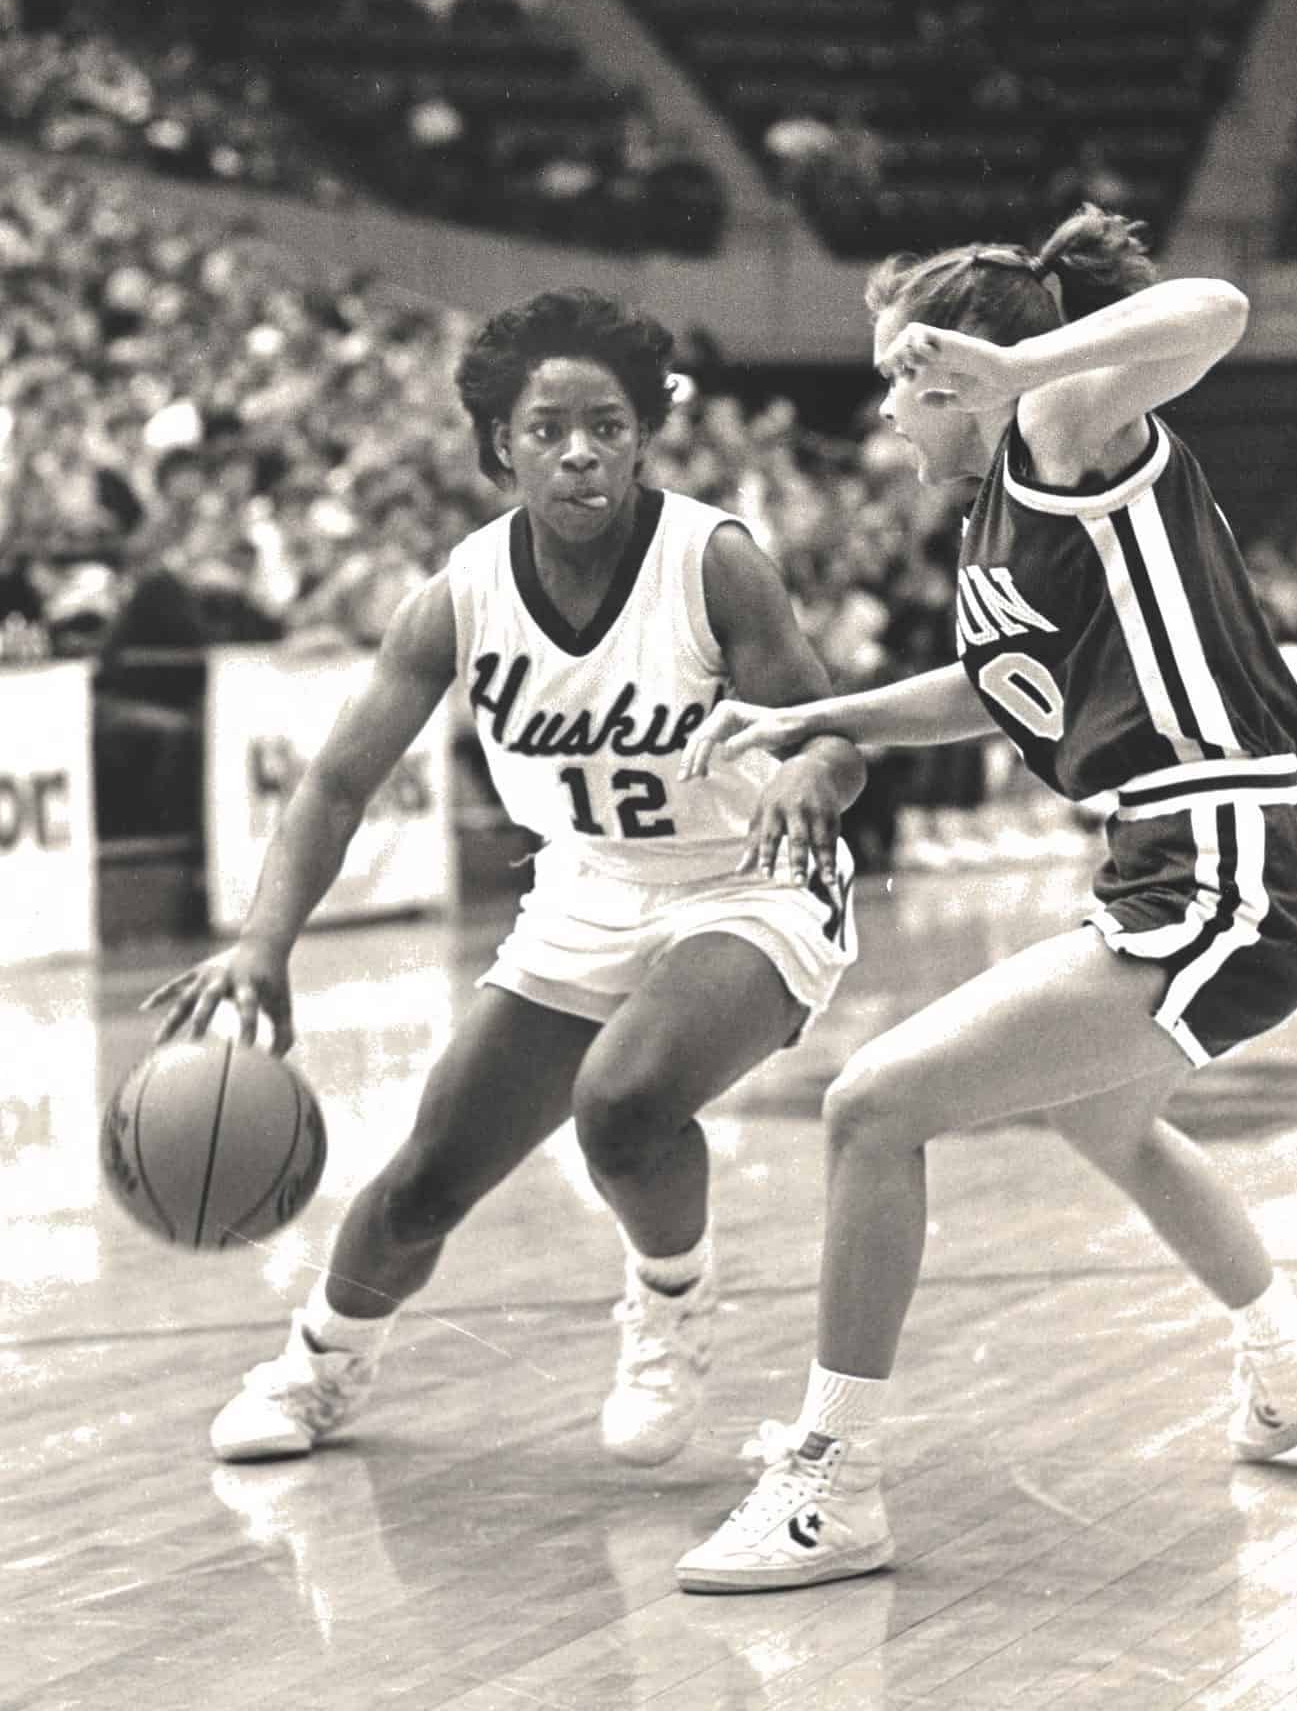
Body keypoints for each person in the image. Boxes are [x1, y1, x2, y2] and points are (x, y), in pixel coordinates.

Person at [670, 205, 1297, 1594]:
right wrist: (812, 722)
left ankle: (832, 1483)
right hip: (1175, 859)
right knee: (1100, 1116)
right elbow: (991, 690)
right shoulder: (1005, 517)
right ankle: (1288, 1367)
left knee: (870, 1107)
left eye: (897, 380)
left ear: (963, 377)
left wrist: (1017, 372)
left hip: (1217, 858)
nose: (885, 411)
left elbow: (1217, 310)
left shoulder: (1054, 438)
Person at [144, 288, 865, 1467]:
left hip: (750, 878)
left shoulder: (713, 561)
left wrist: (810, 777)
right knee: (424, 1181)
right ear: (498, 448)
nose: (578, 452)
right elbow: (333, 783)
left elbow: (831, 737)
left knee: (622, 1107)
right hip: (585, 887)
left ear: (641, 439)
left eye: (606, 426)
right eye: (547, 430)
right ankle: (319, 1363)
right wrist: (263, 944)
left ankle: (670, 1306)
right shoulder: (462, 593)